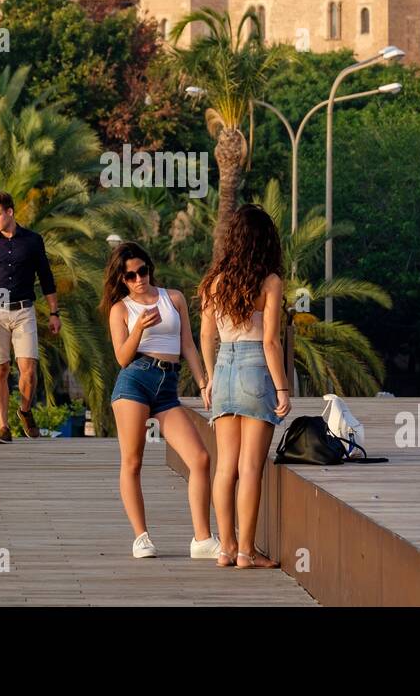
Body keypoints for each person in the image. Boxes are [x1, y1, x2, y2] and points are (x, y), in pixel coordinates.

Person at [103, 241, 220, 560]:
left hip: (167, 385)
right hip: (135, 380)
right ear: (122, 280)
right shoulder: (121, 309)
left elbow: (189, 346)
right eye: (130, 276)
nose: (139, 279)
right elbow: (122, 358)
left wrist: (202, 382)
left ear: (150, 268)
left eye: (142, 271)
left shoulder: (174, 299)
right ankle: (141, 537)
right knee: (133, 460)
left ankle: (202, 539)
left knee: (200, 459)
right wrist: (138, 327)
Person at [198, 204, 291, 569]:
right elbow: (270, 342)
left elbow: (206, 335)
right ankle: (246, 553)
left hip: (223, 369)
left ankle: (226, 548)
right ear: (265, 242)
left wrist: (207, 379)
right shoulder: (269, 282)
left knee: (225, 469)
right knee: (251, 469)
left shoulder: (214, 281)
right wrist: (282, 389)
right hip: (255, 369)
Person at [0, 192, 61, 443]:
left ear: (10, 212)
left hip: (23, 311)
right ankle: (3, 426)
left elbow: (46, 277)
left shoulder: (32, 241)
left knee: (28, 370)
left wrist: (54, 312)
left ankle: (25, 410)